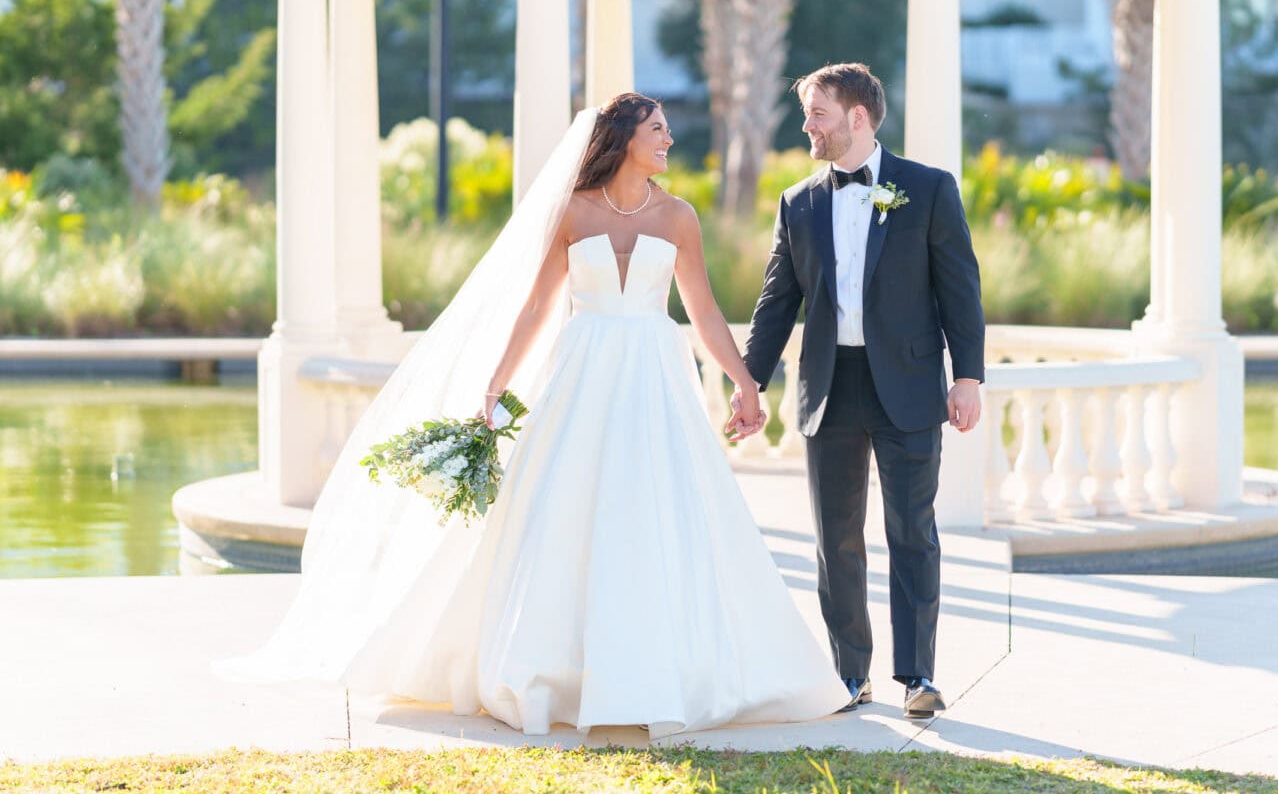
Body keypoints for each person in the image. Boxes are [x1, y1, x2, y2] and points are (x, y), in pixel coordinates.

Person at [219, 94, 848, 738]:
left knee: (660, 508)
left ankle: (661, 667)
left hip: (656, 376)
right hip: (584, 372)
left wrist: (744, 383)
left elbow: (704, 312)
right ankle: (556, 670)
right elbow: (537, 308)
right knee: (566, 507)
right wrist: (496, 384)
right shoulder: (572, 213)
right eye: (657, 130)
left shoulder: (679, 216)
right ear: (623, 137)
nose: (667, 141)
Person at [740, 63, 985, 720]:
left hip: (907, 386)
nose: (806, 126)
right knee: (836, 538)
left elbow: (959, 288)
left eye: (816, 113)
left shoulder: (929, 189)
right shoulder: (797, 202)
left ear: (857, 116)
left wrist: (967, 376)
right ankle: (852, 677)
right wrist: (747, 383)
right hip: (828, 387)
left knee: (912, 531)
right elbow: (775, 304)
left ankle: (918, 678)